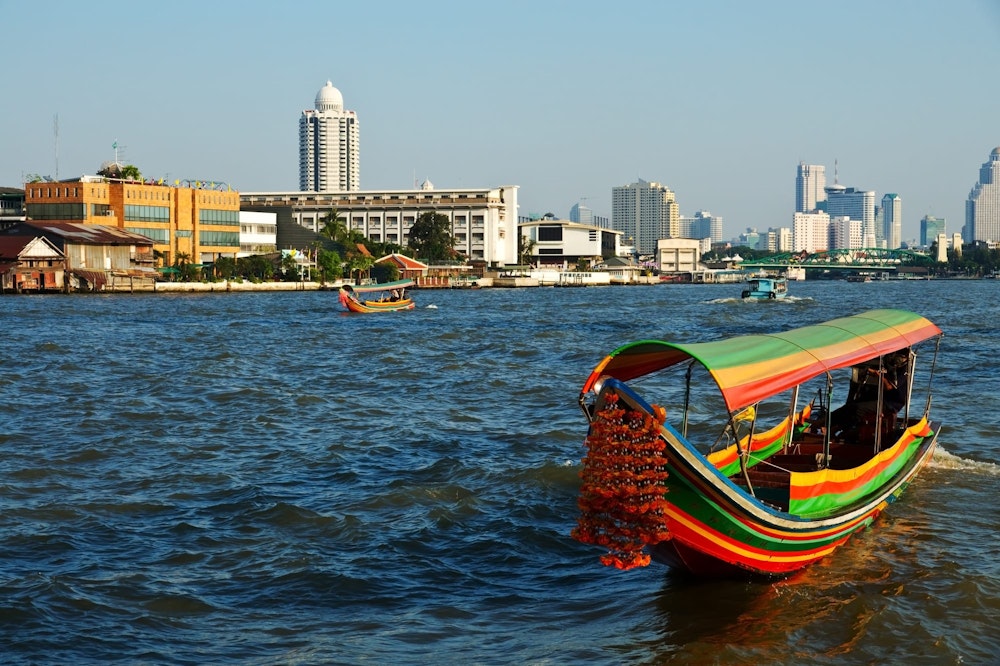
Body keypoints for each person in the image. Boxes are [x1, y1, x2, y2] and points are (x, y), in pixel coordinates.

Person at [830, 350, 908, 439]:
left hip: (890, 404)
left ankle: (840, 430)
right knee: (851, 405)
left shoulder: (904, 370)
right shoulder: (891, 365)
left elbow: (889, 386)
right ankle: (827, 422)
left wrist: (877, 374)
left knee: (859, 408)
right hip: (880, 397)